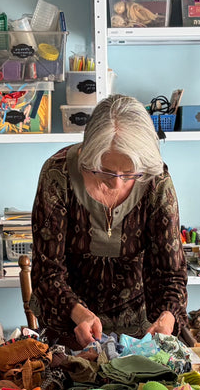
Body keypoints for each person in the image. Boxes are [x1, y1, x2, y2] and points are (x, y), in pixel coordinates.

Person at [31, 95, 188, 348]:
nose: (116, 183)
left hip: (139, 330)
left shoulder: (156, 181)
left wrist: (167, 317)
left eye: (129, 174)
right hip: (67, 324)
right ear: (89, 154)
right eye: (105, 170)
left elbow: (170, 273)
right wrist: (78, 313)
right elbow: (46, 270)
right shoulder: (57, 175)